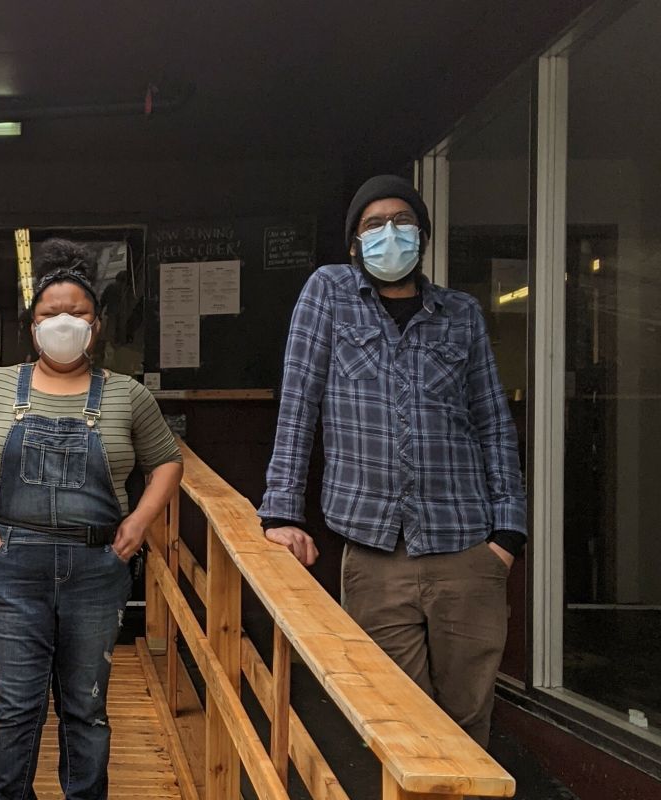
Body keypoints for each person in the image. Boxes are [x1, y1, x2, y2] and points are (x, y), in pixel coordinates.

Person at [258, 175, 526, 748]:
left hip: (466, 544)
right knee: (398, 724)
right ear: (355, 242)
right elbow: (299, 401)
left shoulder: (460, 313)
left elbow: (492, 422)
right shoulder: (329, 294)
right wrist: (281, 511)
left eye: (403, 222)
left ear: (423, 236)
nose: (390, 233)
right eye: (374, 224)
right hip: (375, 551)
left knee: (468, 722)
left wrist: (508, 534)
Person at [0, 239, 183, 800]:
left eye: (78, 313)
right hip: (12, 565)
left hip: (97, 567)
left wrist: (139, 523)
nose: (64, 323)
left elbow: (167, 461)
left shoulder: (127, 395)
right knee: (15, 706)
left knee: (86, 706)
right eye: (51, 314)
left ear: (97, 325)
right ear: (32, 327)